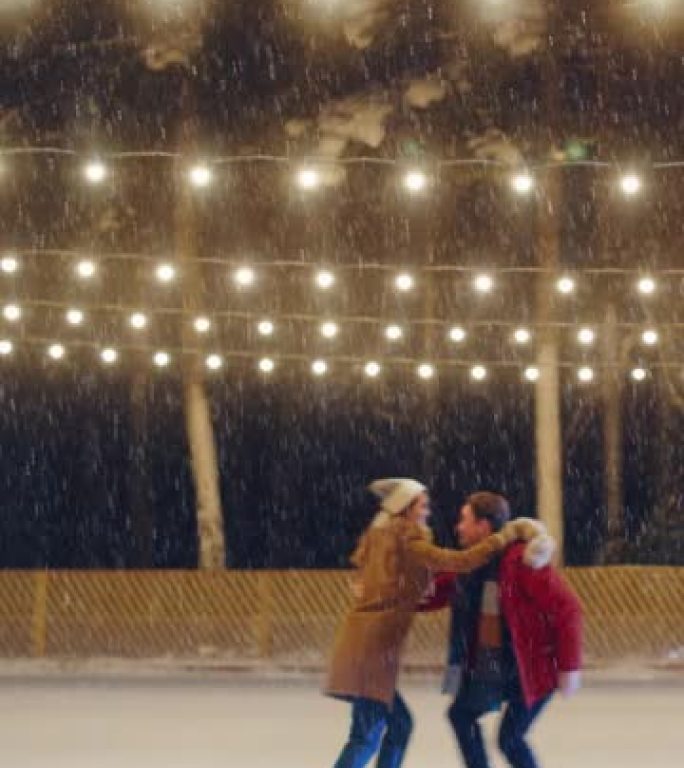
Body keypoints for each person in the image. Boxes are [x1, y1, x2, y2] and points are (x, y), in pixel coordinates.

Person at [325, 478, 555, 768]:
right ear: (406, 508)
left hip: (364, 648)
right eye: (422, 505)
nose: (427, 511)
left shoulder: (383, 539)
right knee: (366, 737)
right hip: (369, 652)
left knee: (398, 727)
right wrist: (503, 537)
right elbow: (459, 561)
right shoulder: (406, 538)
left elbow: (419, 588)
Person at [419, 491, 583, 768]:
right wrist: (393, 598)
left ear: (483, 526)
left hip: (531, 667)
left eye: (464, 520)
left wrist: (569, 667)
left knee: (510, 739)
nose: (458, 527)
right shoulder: (473, 564)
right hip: (496, 666)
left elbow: (568, 609)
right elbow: (441, 590)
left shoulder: (520, 562)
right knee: (461, 716)